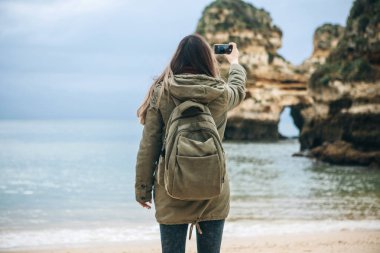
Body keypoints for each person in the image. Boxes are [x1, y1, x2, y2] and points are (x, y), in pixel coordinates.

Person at [135, 33, 246, 253]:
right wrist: (235, 63)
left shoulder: (162, 92)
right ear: (207, 59)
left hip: (170, 191)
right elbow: (238, 89)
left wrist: (142, 190)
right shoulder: (220, 93)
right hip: (213, 191)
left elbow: (149, 146)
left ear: (176, 60)